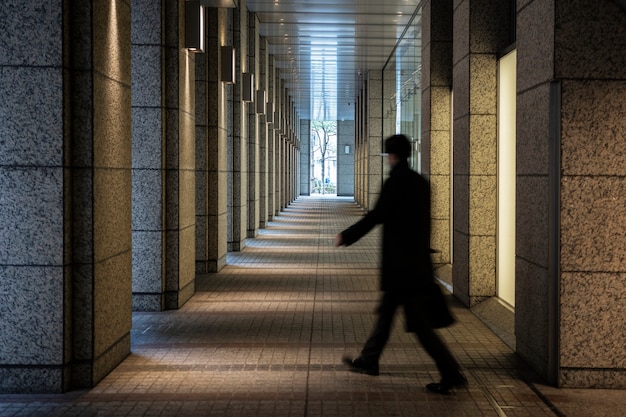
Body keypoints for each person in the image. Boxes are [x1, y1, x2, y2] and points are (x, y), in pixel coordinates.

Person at [335, 134, 466, 394]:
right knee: (386, 314)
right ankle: (369, 359)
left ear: (393, 156)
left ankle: (451, 373)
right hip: (415, 264)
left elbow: (377, 216)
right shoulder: (421, 183)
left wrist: (346, 235)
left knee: (420, 325)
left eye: (388, 155)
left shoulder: (396, 183)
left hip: (402, 268)